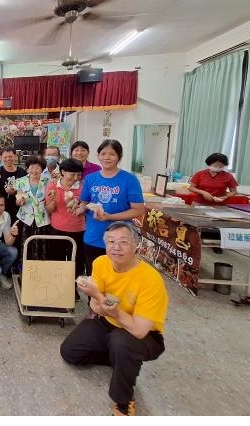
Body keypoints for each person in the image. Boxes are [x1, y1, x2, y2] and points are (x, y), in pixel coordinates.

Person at [60, 222, 168, 416]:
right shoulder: (101, 263)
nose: (116, 247)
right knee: (70, 352)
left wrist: (99, 297)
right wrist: (98, 300)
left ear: (136, 245)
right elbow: (95, 307)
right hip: (107, 322)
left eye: (123, 242)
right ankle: (121, 361)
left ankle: (124, 403)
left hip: (144, 336)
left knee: (122, 343)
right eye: (111, 241)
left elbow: (139, 330)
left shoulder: (151, 280)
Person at [78, 139, 144, 278]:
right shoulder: (90, 179)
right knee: (94, 277)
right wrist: (79, 209)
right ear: (98, 155)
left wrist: (110, 217)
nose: (107, 157)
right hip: (94, 236)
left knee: (119, 279)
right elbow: (84, 203)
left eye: (112, 154)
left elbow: (138, 210)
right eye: (103, 154)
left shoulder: (129, 179)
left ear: (119, 156)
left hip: (120, 240)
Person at [46, 159, 87, 284]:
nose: (75, 178)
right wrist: (53, 200)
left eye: (78, 175)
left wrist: (80, 207)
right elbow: (49, 209)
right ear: (63, 172)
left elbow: (86, 210)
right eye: (72, 174)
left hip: (78, 229)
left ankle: (73, 287)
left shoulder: (83, 187)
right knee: (56, 260)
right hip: (57, 228)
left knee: (76, 261)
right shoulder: (53, 186)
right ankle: (58, 286)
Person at [14, 155, 52, 260]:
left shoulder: (48, 181)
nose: (34, 170)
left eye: (37, 167)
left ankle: (41, 267)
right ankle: (25, 268)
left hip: (42, 218)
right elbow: (17, 200)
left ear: (42, 169)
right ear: (27, 168)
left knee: (42, 246)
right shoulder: (20, 181)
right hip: (25, 219)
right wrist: (19, 202)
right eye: (31, 167)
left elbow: (50, 200)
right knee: (26, 245)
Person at [0, 147, 27, 223]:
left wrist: (15, 192)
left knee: (17, 228)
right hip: (1, 209)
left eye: (10, 156)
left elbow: (25, 190)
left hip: (19, 209)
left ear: (15, 156)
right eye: (5, 157)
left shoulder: (22, 172)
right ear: (1, 157)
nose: (8, 159)